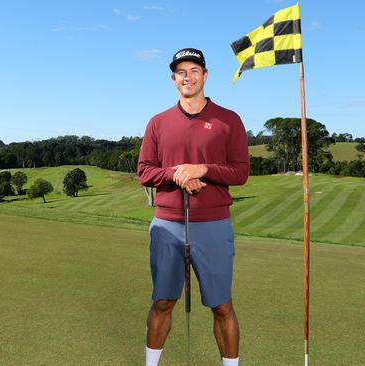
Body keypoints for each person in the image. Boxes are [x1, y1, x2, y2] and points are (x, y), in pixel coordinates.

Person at [137, 48, 249, 366]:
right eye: (181, 72)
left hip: (212, 224)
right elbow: (144, 172)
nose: (188, 77)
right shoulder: (158, 123)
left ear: (206, 76)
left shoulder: (229, 120)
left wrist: (202, 169)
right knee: (162, 302)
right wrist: (177, 172)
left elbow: (240, 172)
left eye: (194, 70)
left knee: (222, 305)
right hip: (167, 223)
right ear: (173, 79)